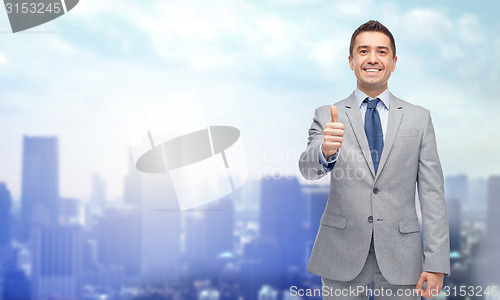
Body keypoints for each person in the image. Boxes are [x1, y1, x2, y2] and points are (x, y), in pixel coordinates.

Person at [298, 20, 450, 299]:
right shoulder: (327, 114)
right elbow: (307, 170)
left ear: (393, 62)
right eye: (363, 51)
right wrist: (325, 152)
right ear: (351, 60)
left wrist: (437, 261)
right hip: (340, 253)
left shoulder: (419, 118)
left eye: (381, 52)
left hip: (402, 256)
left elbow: (432, 193)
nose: (372, 59)